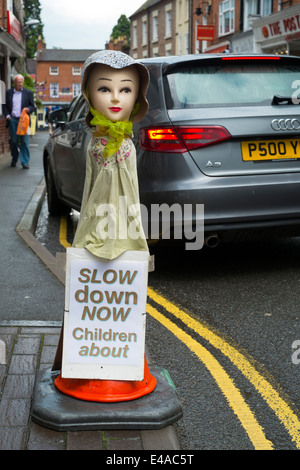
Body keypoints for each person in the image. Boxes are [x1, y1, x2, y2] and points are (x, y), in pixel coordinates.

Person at [72, 50, 150, 260]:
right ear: (89, 93)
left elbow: (130, 194)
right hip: (97, 224)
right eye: (104, 88)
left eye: (125, 89)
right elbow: (91, 190)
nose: (115, 97)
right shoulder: (96, 143)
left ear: (136, 97)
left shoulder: (125, 145)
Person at [3, 74, 36, 169]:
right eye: (18, 82)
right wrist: (8, 116)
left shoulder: (28, 93)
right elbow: (4, 106)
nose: (20, 84)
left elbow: (33, 106)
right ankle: (14, 159)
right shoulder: (8, 93)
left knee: (24, 142)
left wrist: (28, 109)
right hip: (13, 120)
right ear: (14, 83)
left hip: (24, 121)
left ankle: (25, 162)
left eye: (21, 82)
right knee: (13, 141)